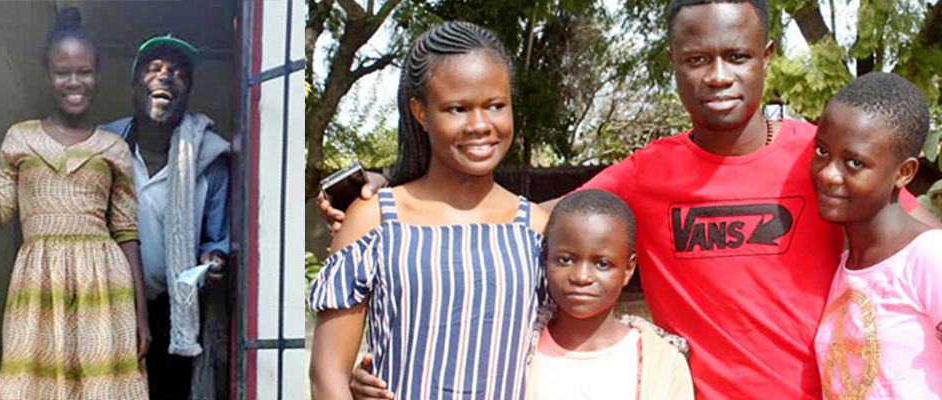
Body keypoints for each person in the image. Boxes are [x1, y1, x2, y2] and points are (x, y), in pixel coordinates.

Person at [332, 1, 942, 399]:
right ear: (674, 65)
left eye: (736, 57)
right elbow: (520, 223)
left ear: (766, 60)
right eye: (697, 60)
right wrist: (400, 193)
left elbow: (913, 254)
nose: (718, 77)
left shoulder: (825, 160)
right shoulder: (645, 174)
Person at [307, 21, 549, 400]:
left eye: (495, 105)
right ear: (420, 112)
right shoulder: (376, 219)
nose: (480, 125)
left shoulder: (537, 229)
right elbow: (327, 374)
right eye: (457, 108)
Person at [0, 8, 150, 399]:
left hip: (104, 289)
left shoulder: (114, 148)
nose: (74, 82)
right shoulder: (19, 139)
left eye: (84, 71)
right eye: (63, 72)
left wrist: (141, 316)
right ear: (47, 76)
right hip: (38, 287)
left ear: (97, 74)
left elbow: (126, 233)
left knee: (101, 387)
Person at [100, 35, 231, 400]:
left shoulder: (209, 157)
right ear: (133, 86)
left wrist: (213, 259)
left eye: (177, 72)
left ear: (187, 93)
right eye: (153, 68)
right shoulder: (104, 147)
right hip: (108, 305)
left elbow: (216, 240)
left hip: (176, 312)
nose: (165, 75)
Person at [810, 72, 942, 399]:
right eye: (822, 151)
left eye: (854, 162)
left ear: (904, 173)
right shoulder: (844, 268)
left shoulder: (928, 257)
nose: (827, 174)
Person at [527, 189, 692, 400]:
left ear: (628, 270)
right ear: (545, 260)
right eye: (565, 260)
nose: (582, 277)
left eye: (602, 264)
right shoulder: (518, 356)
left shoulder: (663, 362)